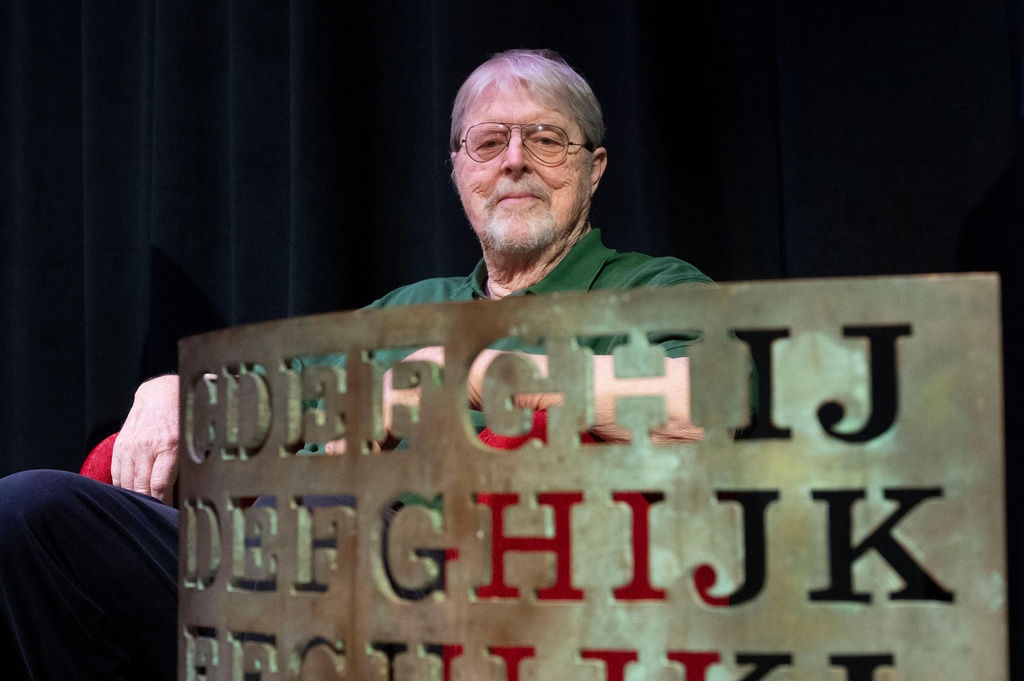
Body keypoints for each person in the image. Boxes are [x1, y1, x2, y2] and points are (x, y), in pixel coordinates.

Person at [0, 49, 711, 679]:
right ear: (460, 170)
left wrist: (466, 374)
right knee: (32, 514)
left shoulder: (648, 289)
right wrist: (170, 388)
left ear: (594, 167)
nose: (514, 160)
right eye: (489, 142)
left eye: (546, 139)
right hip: (269, 567)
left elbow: (703, 407)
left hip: (437, 595)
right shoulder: (403, 309)